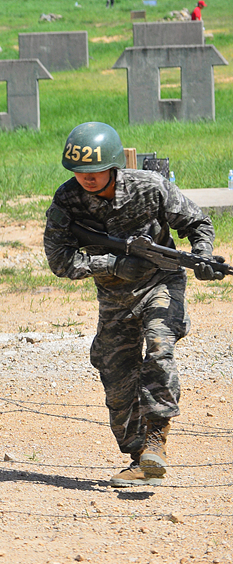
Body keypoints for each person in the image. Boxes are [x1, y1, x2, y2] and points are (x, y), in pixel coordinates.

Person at [43, 122, 225, 488]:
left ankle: (157, 437)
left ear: (112, 165)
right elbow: (60, 260)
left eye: (94, 171)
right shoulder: (68, 201)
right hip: (114, 295)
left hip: (162, 281)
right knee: (116, 376)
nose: (87, 179)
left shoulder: (149, 187)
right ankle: (140, 456)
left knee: (160, 348)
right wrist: (112, 264)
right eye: (79, 172)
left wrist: (203, 255)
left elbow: (197, 222)